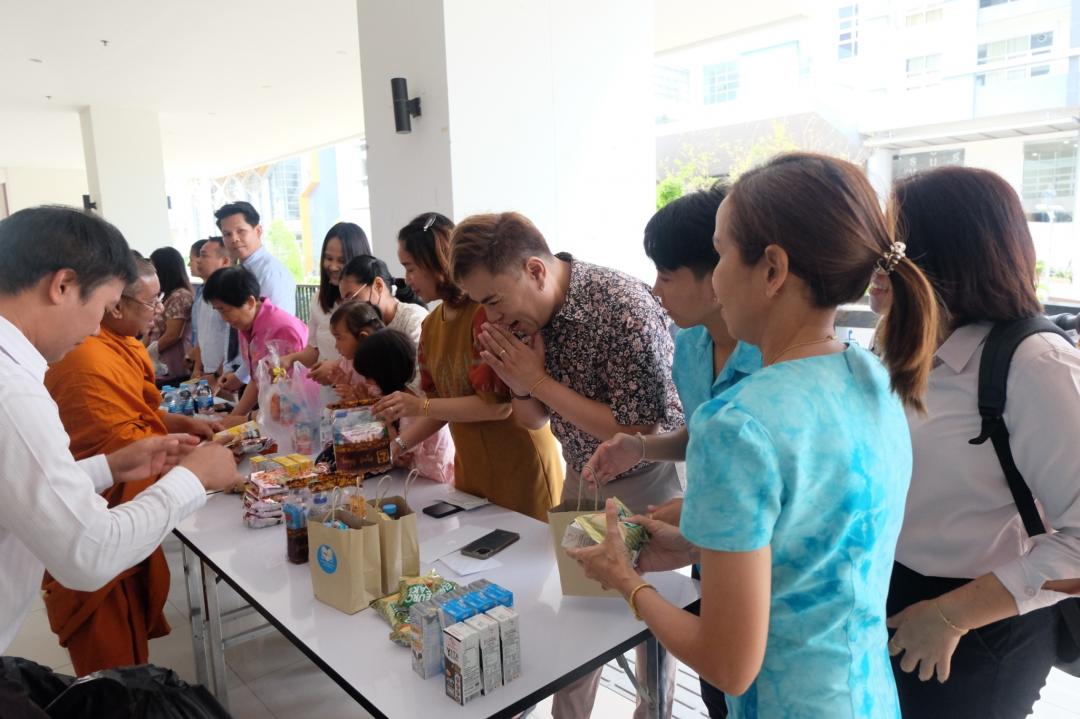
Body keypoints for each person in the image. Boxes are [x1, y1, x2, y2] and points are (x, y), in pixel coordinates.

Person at [569, 153, 939, 718]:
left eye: (719, 255)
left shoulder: (738, 423)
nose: (716, 279)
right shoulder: (873, 376)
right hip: (865, 695)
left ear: (772, 270)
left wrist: (626, 580)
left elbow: (727, 663)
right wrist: (697, 542)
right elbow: (815, 535)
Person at [448, 211, 685, 719]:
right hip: (580, 475)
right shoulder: (523, 320)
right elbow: (533, 420)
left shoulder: (620, 307)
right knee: (579, 612)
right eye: (480, 303)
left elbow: (639, 430)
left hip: (645, 482)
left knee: (648, 623)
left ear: (535, 270)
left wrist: (538, 381)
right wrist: (520, 382)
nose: (490, 318)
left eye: (493, 300)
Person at [883, 167, 1080, 718]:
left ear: (943, 255)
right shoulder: (914, 350)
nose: (874, 264)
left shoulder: (1036, 364)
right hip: (897, 593)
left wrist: (952, 615)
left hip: (983, 624)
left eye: (891, 248)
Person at [0, 206, 238, 655]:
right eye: (102, 306)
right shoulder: (11, 391)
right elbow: (88, 554)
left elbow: (19, 480)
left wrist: (107, 467)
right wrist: (194, 478)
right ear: (63, 285)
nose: (98, 326)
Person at [586, 184, 759, 719]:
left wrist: (630, 583)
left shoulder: (775, 362)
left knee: (737, 667)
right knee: (717, 692)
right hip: (710, 542)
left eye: (666, 275)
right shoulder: (690, 344)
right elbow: (702, 435)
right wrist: (640, 446)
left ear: (719, 273)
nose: (655, 290)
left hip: (759, 558)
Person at [41, 255, 225, 675]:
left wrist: (179, 424)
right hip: (95, 514)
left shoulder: (121, 344)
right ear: (115, 305)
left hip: (114, 493)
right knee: (108, 660)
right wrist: (196, 472)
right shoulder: (85, 358)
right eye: (151, 301)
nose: (159, 310)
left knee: (127, 651)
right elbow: (121, 444)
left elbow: (137, 415)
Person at [371, 213, 563, 521]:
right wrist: (398, 445)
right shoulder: (431, 325)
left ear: (437, 262)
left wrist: (419, 406)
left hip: (519, 466)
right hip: (471, 471)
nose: (407, 279)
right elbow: (440, 407)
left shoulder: (488, 314)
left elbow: (497, 407)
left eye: (411, 267)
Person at [204, 266, 309, 426]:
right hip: (271, 414)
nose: (224, 319)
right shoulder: (246, 324)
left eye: (225, 311)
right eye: (219, 311)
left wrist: (243, 419)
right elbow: (257, 379)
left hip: (298, 420)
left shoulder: (282, 330)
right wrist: (232, 418)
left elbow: (292, 397)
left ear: (250, 302)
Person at [278, 223, 372, 403]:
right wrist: (290, 359)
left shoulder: (368, 303)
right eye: (328, 258)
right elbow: (314, 351)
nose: (333, 266)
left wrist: (337, 367)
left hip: (363, 399)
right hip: (329, 400)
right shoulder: (318, 300)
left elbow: (375, 356)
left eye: (342, 260)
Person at [353, 328, 455, 484]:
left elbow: (401, 455)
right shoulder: (400, 396)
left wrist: (386, 425)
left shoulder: (411, 407)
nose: (366, 382)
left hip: (431, 480)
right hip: (413, 478)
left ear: (383, 374)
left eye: (368, 376)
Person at [215, 201, 295, 395]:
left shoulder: (271, 273)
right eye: (227, 234)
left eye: (241, 231)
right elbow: (235, 326)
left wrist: (242, 375)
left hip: (268, 374)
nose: (234, 239)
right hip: (246, 371)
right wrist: (231, 367)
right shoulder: (238, 271)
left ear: (258, 231)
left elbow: (273, 334)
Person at [146, 247, 194, 384]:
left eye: (154, 269)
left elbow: (173, 334)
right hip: (162, 358)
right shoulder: (168, 295)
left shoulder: (180, 296)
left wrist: (150, 351)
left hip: (174, 360)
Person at [325, 300, 387, 399]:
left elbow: (389, 404)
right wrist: (344, 388)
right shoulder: (346, 364)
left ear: (363, 337)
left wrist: (365, 399)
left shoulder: (386, 364)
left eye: (339, 338)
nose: (336, 346)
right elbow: (347, 402)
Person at [190, 237, 233, 380]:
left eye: (204, 256)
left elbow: (234, 342)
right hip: (208, 373)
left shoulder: (231, 294)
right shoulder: (204, 293)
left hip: (227, 376)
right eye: (198, 256)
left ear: (225, 261)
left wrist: (217, 375)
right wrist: (197, 369)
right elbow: (202, 335)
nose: (198, 260)